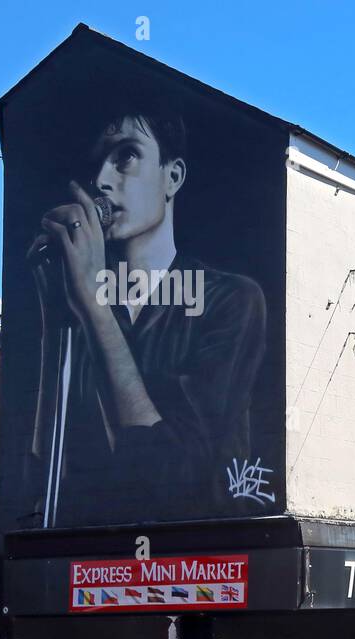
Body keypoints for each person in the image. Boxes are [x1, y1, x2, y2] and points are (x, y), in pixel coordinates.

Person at [26, 91, 268, 528]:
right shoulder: (84, 301)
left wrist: (94, 309)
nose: (102, 178)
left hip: (202, 562)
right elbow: (43, 479)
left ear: (172, 176)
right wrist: (56, 317)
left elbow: (172, 475)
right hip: (89, 559)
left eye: (126, 156)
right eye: (95, 162)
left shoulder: (231, 300)